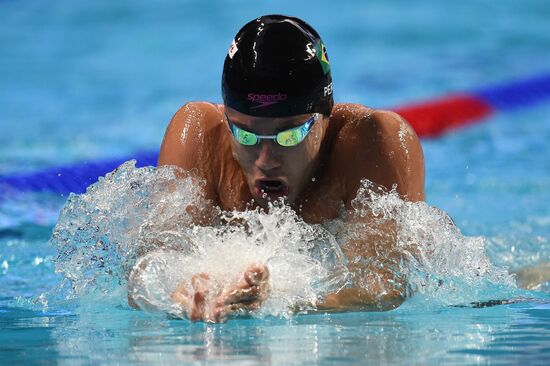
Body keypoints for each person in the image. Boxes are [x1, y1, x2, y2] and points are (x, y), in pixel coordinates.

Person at [128, 14, 425, 322]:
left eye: (289, 135)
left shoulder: (373, 143)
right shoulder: (200, 137)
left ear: (326, 114)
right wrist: (184, 288)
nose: (266, 159)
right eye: (245, 134)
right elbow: (151, 265)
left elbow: (384, 282)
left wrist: (282, 299)